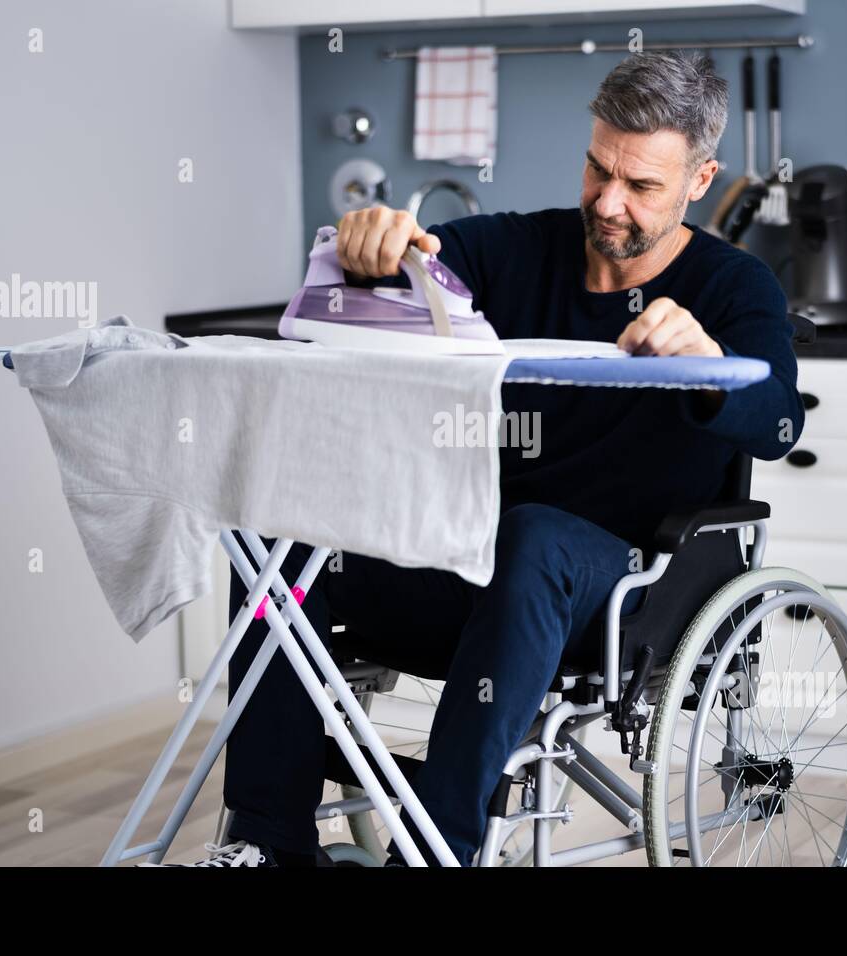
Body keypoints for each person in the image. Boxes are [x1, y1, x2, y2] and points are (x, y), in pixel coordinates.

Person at [195, 50, 804, 867]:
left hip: (630, 592)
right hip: (471, 565)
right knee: (276, 534)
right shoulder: (513, 250)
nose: (609, 202)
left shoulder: (736, 287)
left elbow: (778, 425)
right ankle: (267, 843)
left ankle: (436, 853)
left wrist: (708, 361)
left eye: (642, 186)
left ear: (700, 180)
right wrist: (372, 247)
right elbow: (417, 263)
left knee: (535, 535)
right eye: (598, 169)